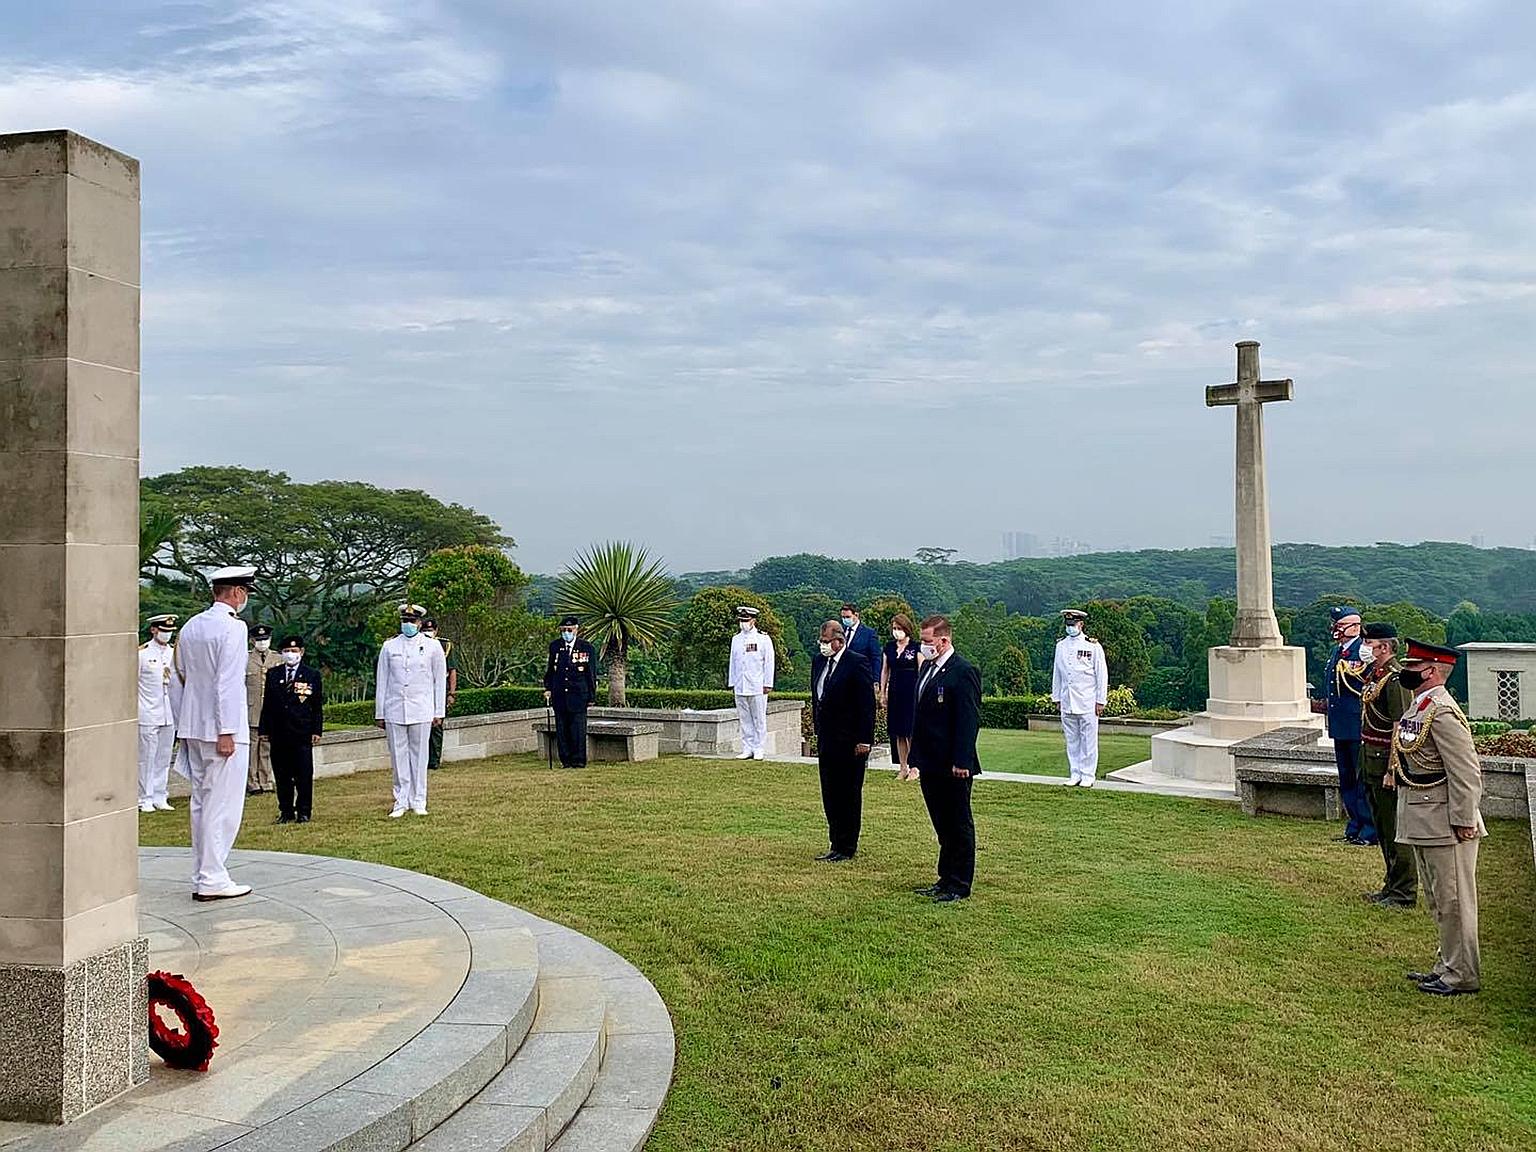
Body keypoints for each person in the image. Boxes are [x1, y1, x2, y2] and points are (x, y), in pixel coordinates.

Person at [1392, 639, 1485, 996]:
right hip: (1425, 819)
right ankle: (1447, 965)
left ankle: (1462, 975)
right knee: (1439, 900)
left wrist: (1463, 818)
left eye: (1413, 666)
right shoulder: (1423, 705)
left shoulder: (1442, 711)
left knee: (1455, 901)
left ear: (1430, 670)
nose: (1407, 671)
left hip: (1446, 823)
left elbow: (1465, 771)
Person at [175, 565, 258, 901]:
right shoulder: (233, 628)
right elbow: (227, 681)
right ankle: (212, 876)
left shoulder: (192, 625)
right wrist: (226, 730)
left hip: (194, 724)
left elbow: (181, 672)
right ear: (237, 593)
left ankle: (203, 872)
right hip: (222, 728)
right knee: (221, 804)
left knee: (202, 801)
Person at [909, 615, 982, 903]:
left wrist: (962, 760)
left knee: (958, 822)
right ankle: (945, 876)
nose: (924, 646)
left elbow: (968, 719)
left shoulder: (963, 671)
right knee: (941, 822)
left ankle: (960, 882)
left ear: (944, 640)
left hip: (953, 764)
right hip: (930, 760)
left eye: (928, 641)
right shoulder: (927, 667)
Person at [1358, 623, 1417, 909]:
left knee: (1395, 829)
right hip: (1369, 757)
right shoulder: (1376, 675)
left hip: (1385, 763)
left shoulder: (1396, 680)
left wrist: (1393, 768)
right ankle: (1391, 885)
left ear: (1384, 647)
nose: (1365, 647)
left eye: (1369, 643)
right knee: (1382, 827)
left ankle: (1404, 891)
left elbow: (1400, 726)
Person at [811, 619, 876, 861]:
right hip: (827, 739)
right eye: (821, 641)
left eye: (827, 642)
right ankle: (835, 841)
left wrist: (864, 739)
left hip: (850, 742)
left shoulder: (856, 663)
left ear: (840, 641)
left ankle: (847, 845)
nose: (823, 646)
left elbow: (866, 705)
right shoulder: (819, 662)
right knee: (830, 792)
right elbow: (817, 697)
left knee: (848, 793)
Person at [375, 603, 447, 817]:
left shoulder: (433, 647)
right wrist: (380, 712)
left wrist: (438, 711)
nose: (408, 624)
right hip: (395, 707)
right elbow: (382, 680)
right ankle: (400, 800)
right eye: (405, 621)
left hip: (421, 708)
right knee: (398, 756)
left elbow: (438, 681)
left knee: (419, 755)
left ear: (419, 623)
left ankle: (419, 799)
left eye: (412, 621)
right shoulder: (389, 647)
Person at [1319, 607, 1376, 846]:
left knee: (1361, 779)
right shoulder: (1337, 651)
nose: (1336, 629)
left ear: (1354, 626)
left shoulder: (1362, 651)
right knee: (1347, 779)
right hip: (1340, 724)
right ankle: (1353, 826)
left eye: (1340, 624)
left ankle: (1369, 830)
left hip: (1356, 723)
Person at [259, 635, 325, 824]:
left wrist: (316, 730)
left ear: (301, 652)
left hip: (301, 732)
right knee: (282, 775)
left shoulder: (311, 674)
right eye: (287, 651)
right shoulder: (274, 674)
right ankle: (286, 811)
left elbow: (316, 706)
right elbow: (268, 705)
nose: (290, 654)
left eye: (294, 651)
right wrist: (264, 729)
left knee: (303, 775)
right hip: (279, 733)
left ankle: (304, 811)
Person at [1051, 608, 1109, 788]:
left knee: (1088, 740)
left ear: (1081, 624)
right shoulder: (1060, 646)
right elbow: (1058, 674)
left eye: (1073, 624)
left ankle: (1088, 774)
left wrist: (1101, 700)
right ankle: (1074, 773)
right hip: (1067, 700)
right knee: (1072, 739)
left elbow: (1101, 675)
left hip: (1087, 700)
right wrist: (1057, 697)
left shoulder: (1092, 646)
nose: (1070, 628)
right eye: (1068, 624)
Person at [136, 614, 179, 813]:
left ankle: (160, 794)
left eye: (170, 631)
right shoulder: (142, 654)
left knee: (163, 756)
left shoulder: (174, 654)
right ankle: (144, 797)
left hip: (168, 712)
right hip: (147, 711)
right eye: (163, 630)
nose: (166, 634)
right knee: (146, 757)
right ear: (154, 630)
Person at [543, 615, 598, 769]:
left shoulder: (587, 648)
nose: (566, 632)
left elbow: (591, 674)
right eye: (563, 630)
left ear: (576, 630)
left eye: (569, 630)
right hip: (560, 695)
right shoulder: (555, 646)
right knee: (562, 729)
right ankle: (565, 760)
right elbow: (551, 670)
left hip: (579, 695)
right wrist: (548, 688)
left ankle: (578, 760)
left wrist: (591, 696)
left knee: (578, 729)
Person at [727, 606, 774, 760]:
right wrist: (732, 682)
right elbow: (733, 663)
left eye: (746, 620)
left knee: (759, 718)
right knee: (744, 719)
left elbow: (769, 663)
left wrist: (768, 683)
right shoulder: (736, 639)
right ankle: (747, 748)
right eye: (741, 620)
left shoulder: (763, 639)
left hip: (757, 685)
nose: (743, 623)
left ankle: (759, 748)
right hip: (740, 685)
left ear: (753, 620)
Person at [880, 613, 922, 781]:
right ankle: (902, 767)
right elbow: (885, 670)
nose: (896, 631)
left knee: (910, 731)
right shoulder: (889, 648)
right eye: (894, 628)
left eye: (899, 628)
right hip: (895, 691)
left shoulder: (915, 647)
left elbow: (921, 669)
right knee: (898, 732)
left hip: (911, 692)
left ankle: (915, 767)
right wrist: (882, 692)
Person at [245, 624, 279, 796]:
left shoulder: (278, 659)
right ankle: (253, 782)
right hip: (252, 711)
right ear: (252, 641)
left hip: (271, 712)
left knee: (266, 747)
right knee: (252, 749)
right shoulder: (245, 659)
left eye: (265, 639)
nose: (262, 642)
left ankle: (266, 780)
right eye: (259, 640)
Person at [423, 618, 458, 770]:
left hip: (438, 689)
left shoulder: (444, 645)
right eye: (425, 630)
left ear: (436, 630)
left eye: (430, 630)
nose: (428, 633)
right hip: (421, 690)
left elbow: (452, 671)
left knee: (436, 726)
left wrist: (451, 693)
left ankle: (434, 760)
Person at [839, 604, 885, 697]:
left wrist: (876, 680)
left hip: (862, 677)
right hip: (843, 678)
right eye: (843, 617)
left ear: (856, 615)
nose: (845, 620)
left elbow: (876, 657)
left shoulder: (868, 633)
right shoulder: (841, 632)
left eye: (848, 617)